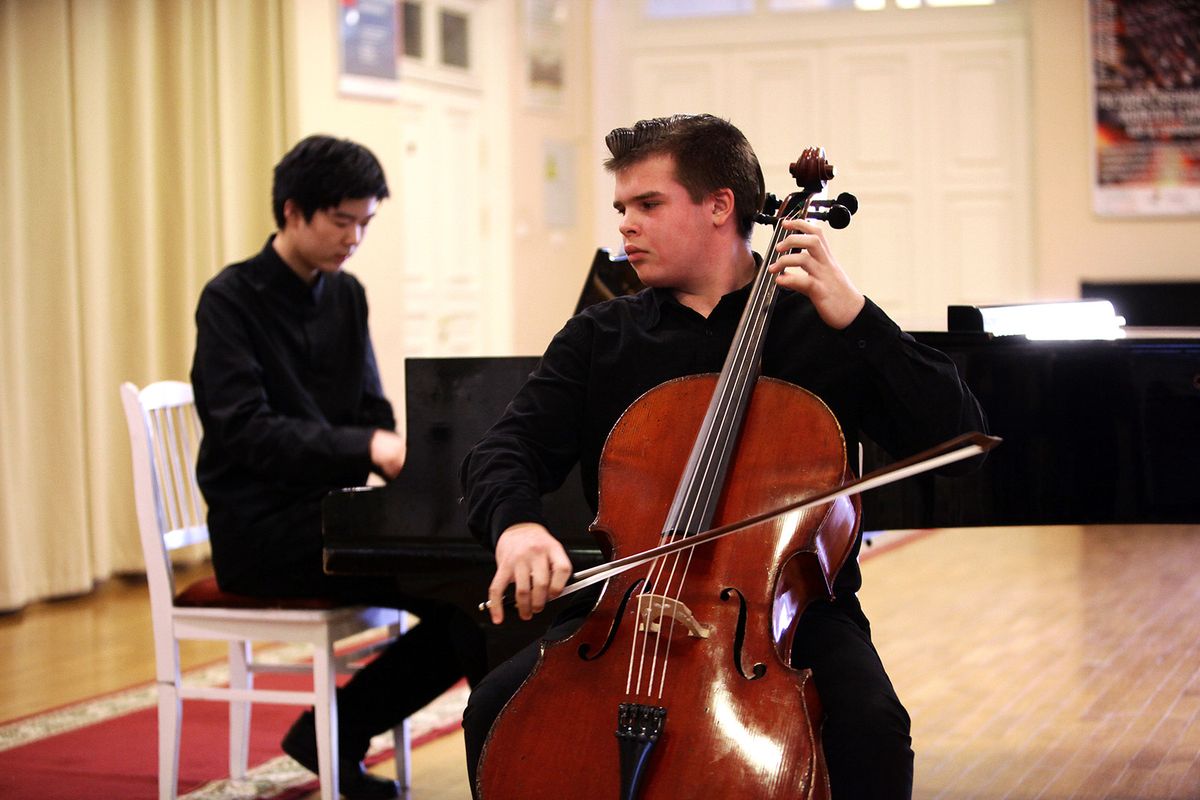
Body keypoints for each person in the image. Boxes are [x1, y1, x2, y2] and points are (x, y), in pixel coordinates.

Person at [458, 114, 987, 798]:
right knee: (494, 707)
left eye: (648, 204)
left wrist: (861, 319)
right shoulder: (602, 337)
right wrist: (517, 526)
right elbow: (505, 449)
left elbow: (959, 440)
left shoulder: (824, 326)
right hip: (631, 609)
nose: (626, 225)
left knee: (872, 727)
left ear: (719, 205)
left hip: (787, 619)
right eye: (622, 208)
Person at [191, 134, 486, 800]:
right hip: (263, 532)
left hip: (336, 517)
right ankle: (370, 742)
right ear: (292, 212)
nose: (354, 239)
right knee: (470, 589)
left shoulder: (346, 296)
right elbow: (246, 432)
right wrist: (368, 447)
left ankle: (336, 734)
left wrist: (419, 469)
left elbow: (370, 410)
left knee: (478, 587)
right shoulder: (230, 299)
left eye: (365, 223)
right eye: (341, 221)